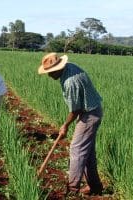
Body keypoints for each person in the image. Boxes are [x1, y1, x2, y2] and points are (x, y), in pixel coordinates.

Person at [38, 53, 104, 196]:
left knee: (77, 149)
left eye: (50, 72)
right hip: (91, 109)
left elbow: (76, 110)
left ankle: (72, 190)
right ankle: (95, 186)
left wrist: (65, 125)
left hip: (89, 115)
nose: (49, 76)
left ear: (58, 69)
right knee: (88, 153)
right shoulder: (70, 67)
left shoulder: (70, 82)